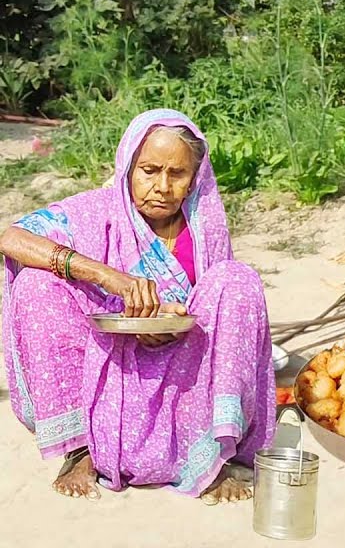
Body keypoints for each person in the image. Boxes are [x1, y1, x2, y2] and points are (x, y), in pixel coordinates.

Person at [0, 109, 274, 503]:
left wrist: (175, 317)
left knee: (237, 279)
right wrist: (107, 276)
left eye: (176, 174)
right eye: (149, 170)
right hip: (112, 361)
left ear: (193, 178)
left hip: (184, 366)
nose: (161, 186)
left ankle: (214, 455)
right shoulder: (97, 211)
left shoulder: (203, 227)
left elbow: (216, 312)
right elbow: (13, 238)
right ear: (128, 166)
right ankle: (82, 450)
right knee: (36, 283)